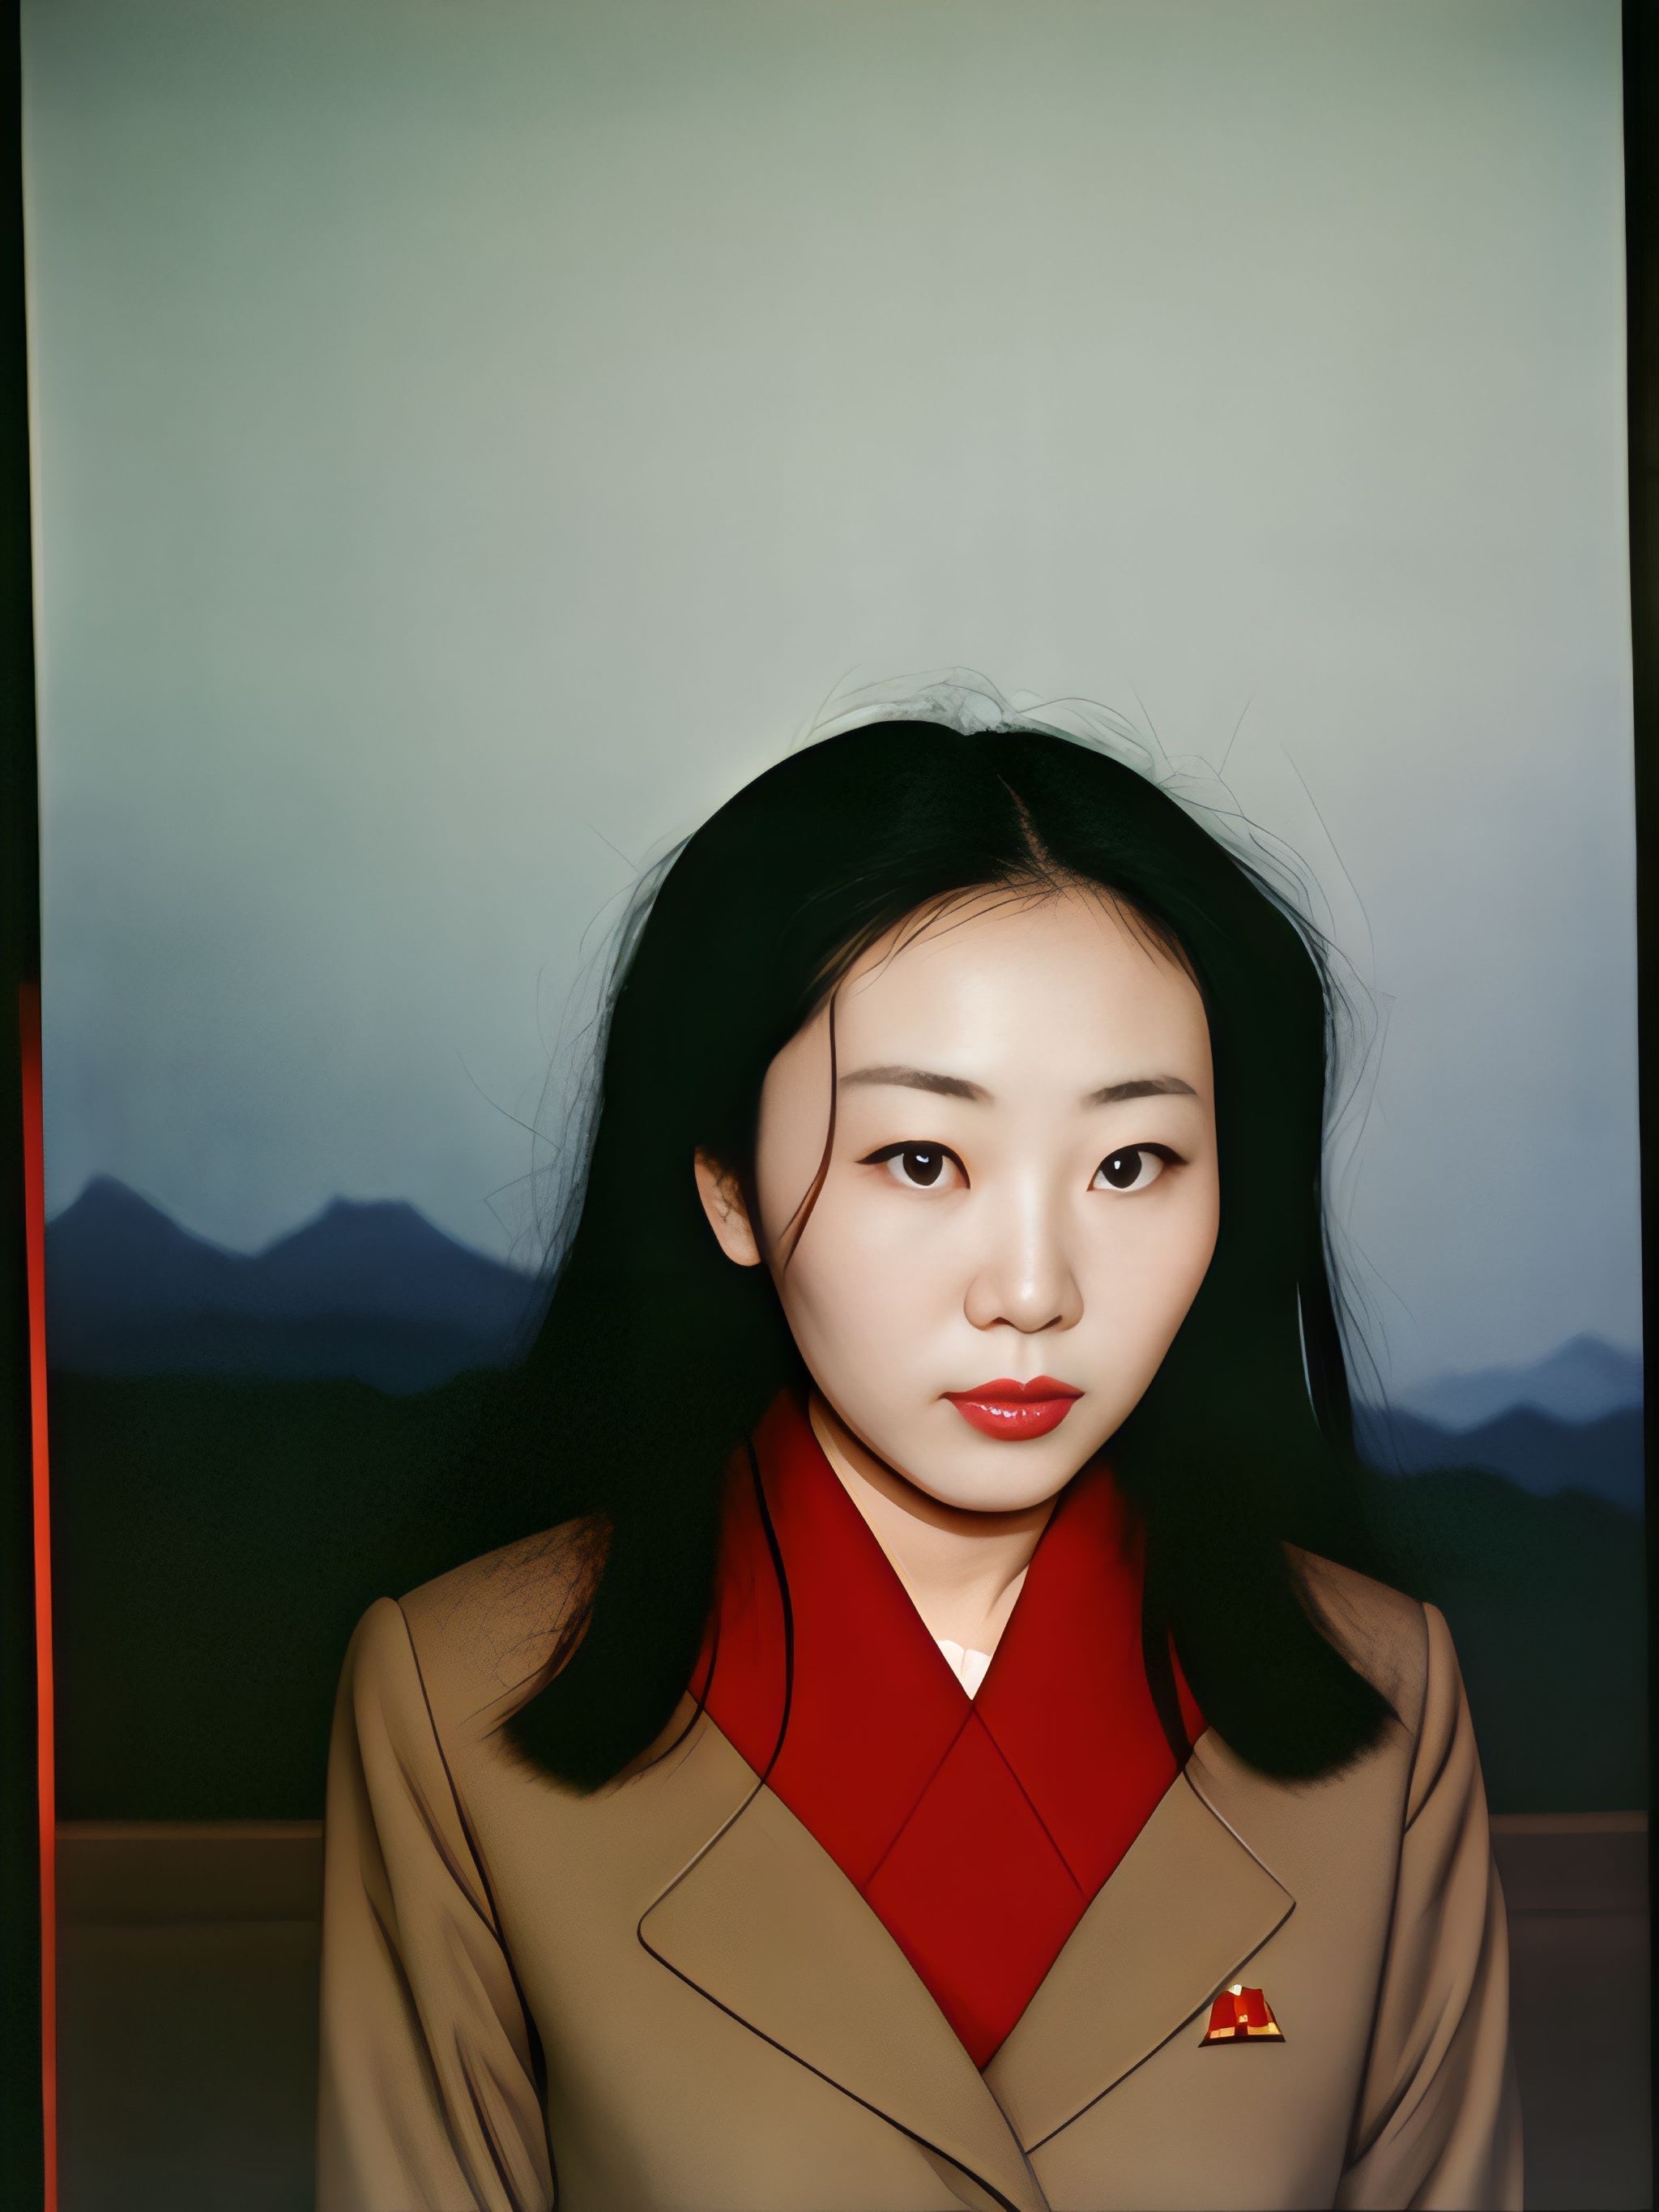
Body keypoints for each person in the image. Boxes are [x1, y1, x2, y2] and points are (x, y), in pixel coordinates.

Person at [316, 720, 1521, 2211]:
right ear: (727, 1187)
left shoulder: (1385, 1704)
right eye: (923, 1160)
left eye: (1130, 1164)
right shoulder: (460, 1700)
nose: (1033, 1287)